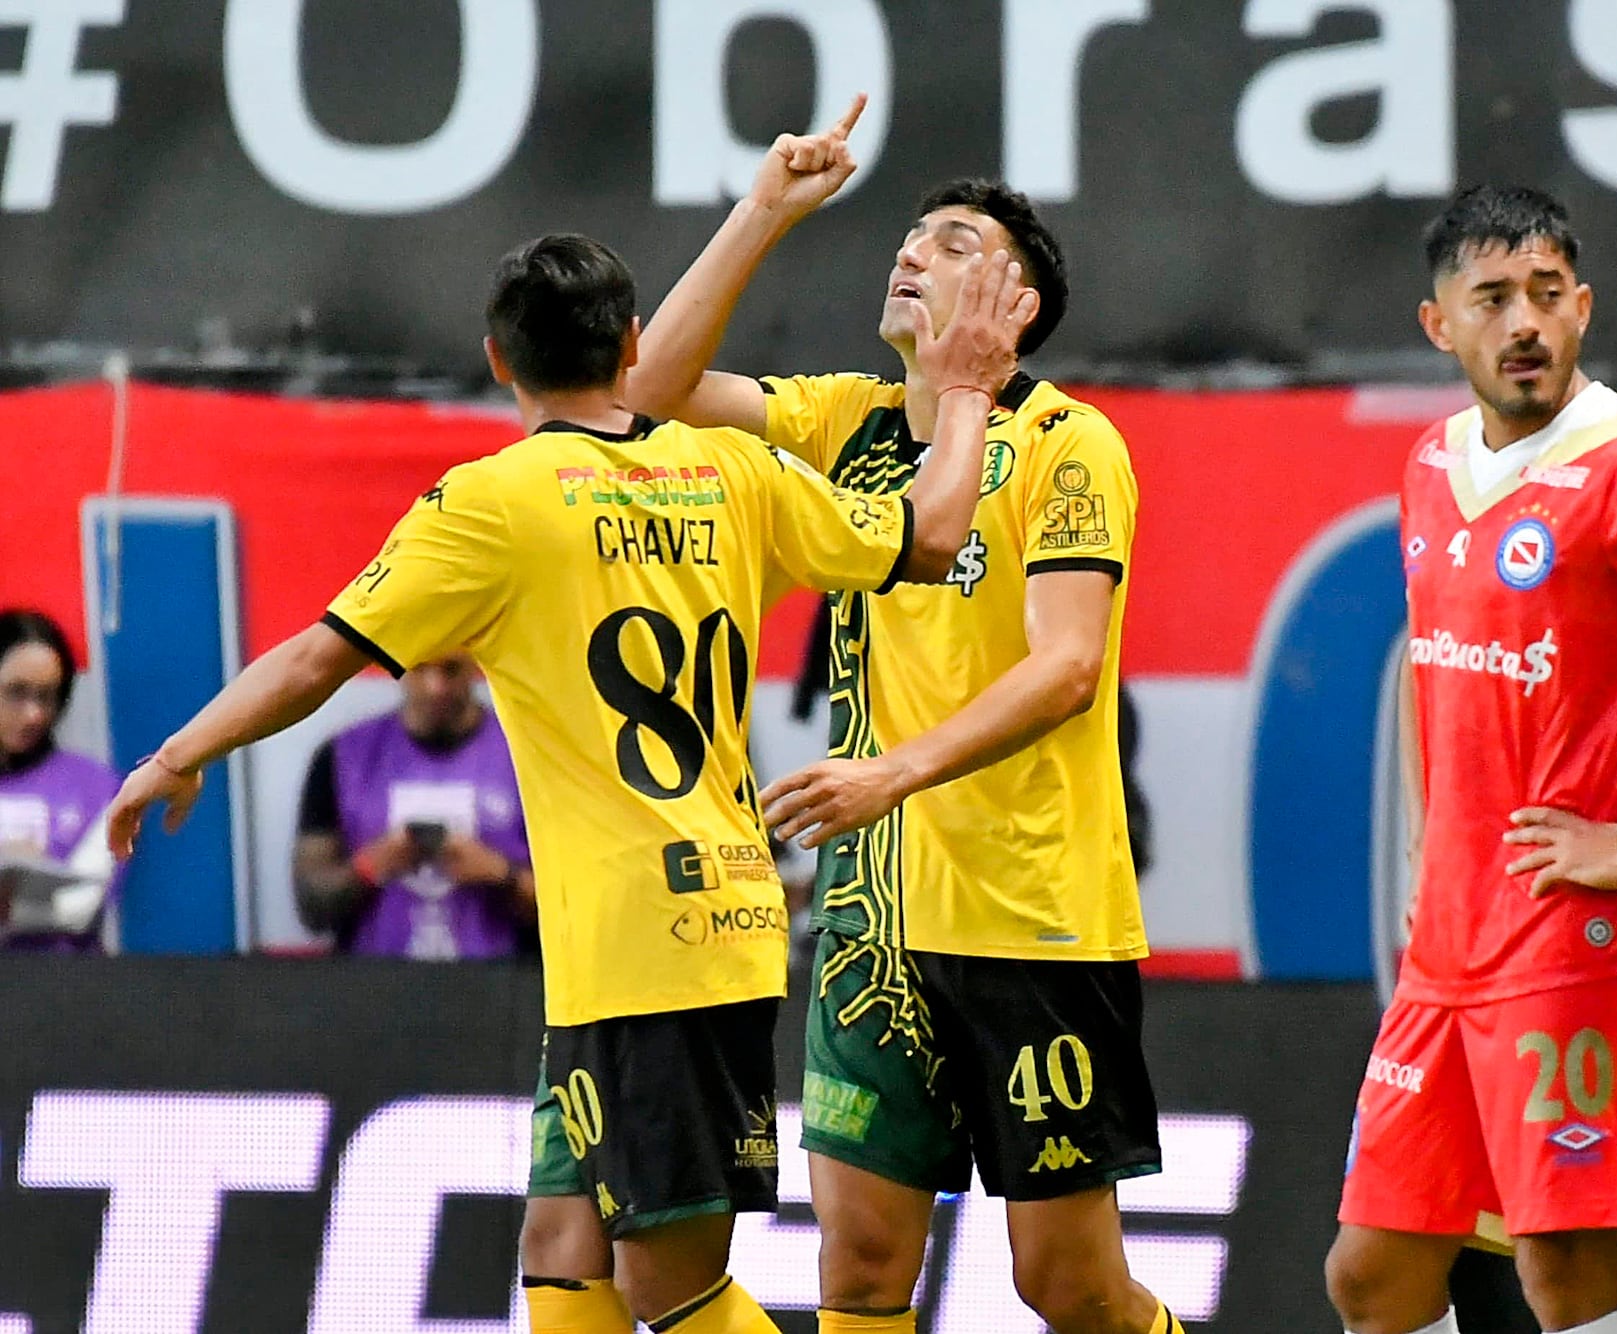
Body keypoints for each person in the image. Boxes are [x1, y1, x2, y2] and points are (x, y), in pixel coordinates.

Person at [105, 230, 1022, 1334]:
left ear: (497, 360)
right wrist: (968, 394)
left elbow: (317, 658)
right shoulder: (730, 468)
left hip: (653, 944)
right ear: (633, 342)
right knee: (558, 1244)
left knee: (667, 1287)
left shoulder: (496, 501)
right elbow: (928, 538)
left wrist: (174, 753)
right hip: (663, 932)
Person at [627, 99, 1182, 1334]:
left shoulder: (1069, 443)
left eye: (950, 240)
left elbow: (1068, 667)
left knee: (1068, 1283)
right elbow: (647, 389)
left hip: (1032, 921)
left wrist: (893, 772)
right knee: (861, 1271)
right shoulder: (849, 422)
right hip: (874, 928)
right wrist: (764, 207)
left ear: (1017, 301)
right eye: (910, 235)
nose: (910, 250)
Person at [1325, 185, 1617, 1334]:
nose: (1522, 322)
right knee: (1373, 1272)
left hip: (1577, 935)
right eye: (1491, 299)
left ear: (1581, 308)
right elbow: (1432, 660)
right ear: (1439, 325)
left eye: (1544, 294)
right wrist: (1426, 863)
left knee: (1561, 1269)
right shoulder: (1430, 465)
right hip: (1450, 939)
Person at [293, 652, 535, 959]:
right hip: (375, 987)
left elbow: (575, 906)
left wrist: (501, 874)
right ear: (398, 667)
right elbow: (311, 907)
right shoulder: (342, 757)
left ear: (476, 665)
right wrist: (372, 866)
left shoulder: (527, 757)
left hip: (506, 986)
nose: (436, 687)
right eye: (420, 669)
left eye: (451, 670)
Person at [0, 609, 122, 952]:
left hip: (65, 991)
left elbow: (80, 909)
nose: (33, 714)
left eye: (47, 695)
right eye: (16, 692)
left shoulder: (98, 788)